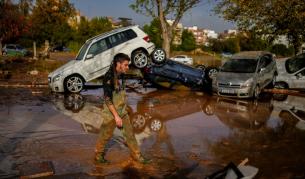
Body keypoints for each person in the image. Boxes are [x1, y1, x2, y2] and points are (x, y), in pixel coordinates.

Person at [95, 53, 149, 164]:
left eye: (128, 65)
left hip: (122, 111)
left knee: (130, 134)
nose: (127, 67)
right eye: (125, 65)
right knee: (105, 135)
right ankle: (98, 154)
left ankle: (137, 155)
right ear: (118, 64)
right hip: (111, 113)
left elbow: (121, 91)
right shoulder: (108, 77)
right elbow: (107, 99)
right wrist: (116, 117)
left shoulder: (122, 74)